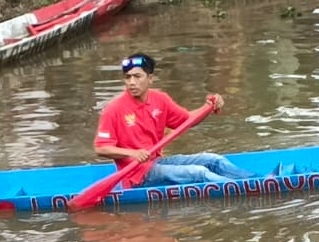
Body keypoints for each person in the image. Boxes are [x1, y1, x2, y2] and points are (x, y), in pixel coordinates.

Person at [93, 53, 246, 186]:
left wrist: (208, 107)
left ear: (150, 79)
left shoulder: (160, 99)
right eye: (128, 77)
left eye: (137, 76)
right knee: (198, 172)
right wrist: (132, 153)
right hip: (136, 175)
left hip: (156, 162)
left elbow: (187, 121)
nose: (132, 82)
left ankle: (257, 181)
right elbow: (101, 148)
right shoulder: (113, 109)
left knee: (214, 160)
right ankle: (242, 189)